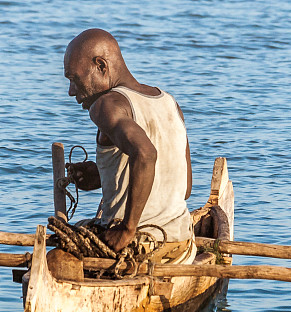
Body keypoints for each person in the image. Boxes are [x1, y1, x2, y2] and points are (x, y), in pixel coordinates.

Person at [63, 28, 195, 263]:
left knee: (58, 250)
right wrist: (104, 176)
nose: (72, 91)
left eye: (75, 79)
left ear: (101, 66)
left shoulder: (105, 105)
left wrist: (127, 229)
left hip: (141, 246)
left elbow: (145, 154)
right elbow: (183, 189)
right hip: (182, 243)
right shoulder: (169, 102)